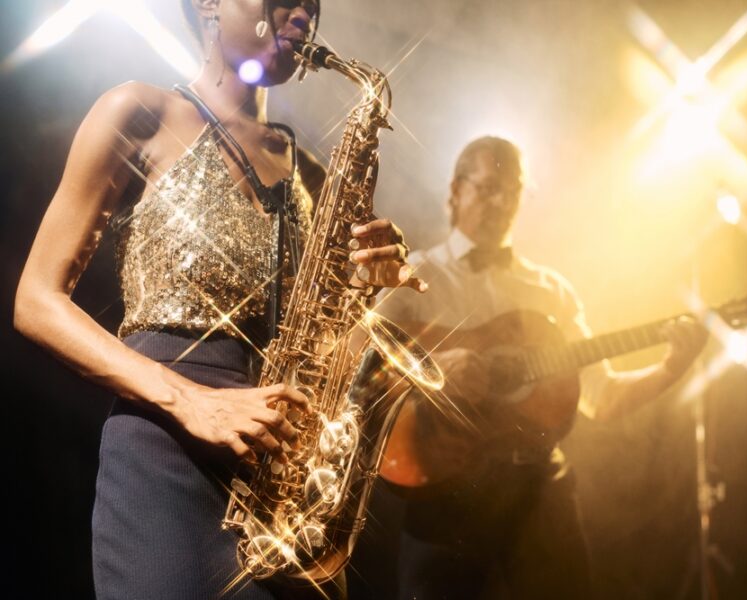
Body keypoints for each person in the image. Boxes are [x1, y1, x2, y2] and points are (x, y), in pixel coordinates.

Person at [13, 1, 423, 598]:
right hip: (166, 454)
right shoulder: (139, 111)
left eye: (312, 2)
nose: (302, 12)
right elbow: (35, 300)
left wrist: (367, 284)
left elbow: (322, 338)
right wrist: (191, 401)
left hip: (283, 478)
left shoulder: (315, 173)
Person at [374, 136, 709, 599]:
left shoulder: (552, 292)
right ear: (455, 190)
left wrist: (670, 368)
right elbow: (357, 363)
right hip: (443, 484)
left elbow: (603, 398)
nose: (501, 203)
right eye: (488, 188)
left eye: (513, 191)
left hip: (538, 491)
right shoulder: (413, 276)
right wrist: (429, 370)